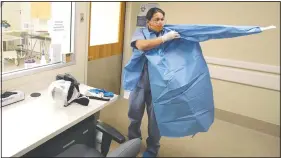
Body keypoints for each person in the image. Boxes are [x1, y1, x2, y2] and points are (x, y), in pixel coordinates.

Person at [128, 8, 180, 157]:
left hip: (159, 83)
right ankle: (133, 142)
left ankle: (152, 149)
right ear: (148, 21)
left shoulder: (169, 33)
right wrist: (164, 39)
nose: (160, 22)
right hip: (140, 80)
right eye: (156, 19)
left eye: (162, 19)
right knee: (134, 114)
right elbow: (142, 46)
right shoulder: (140, 33)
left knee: (155, 118)